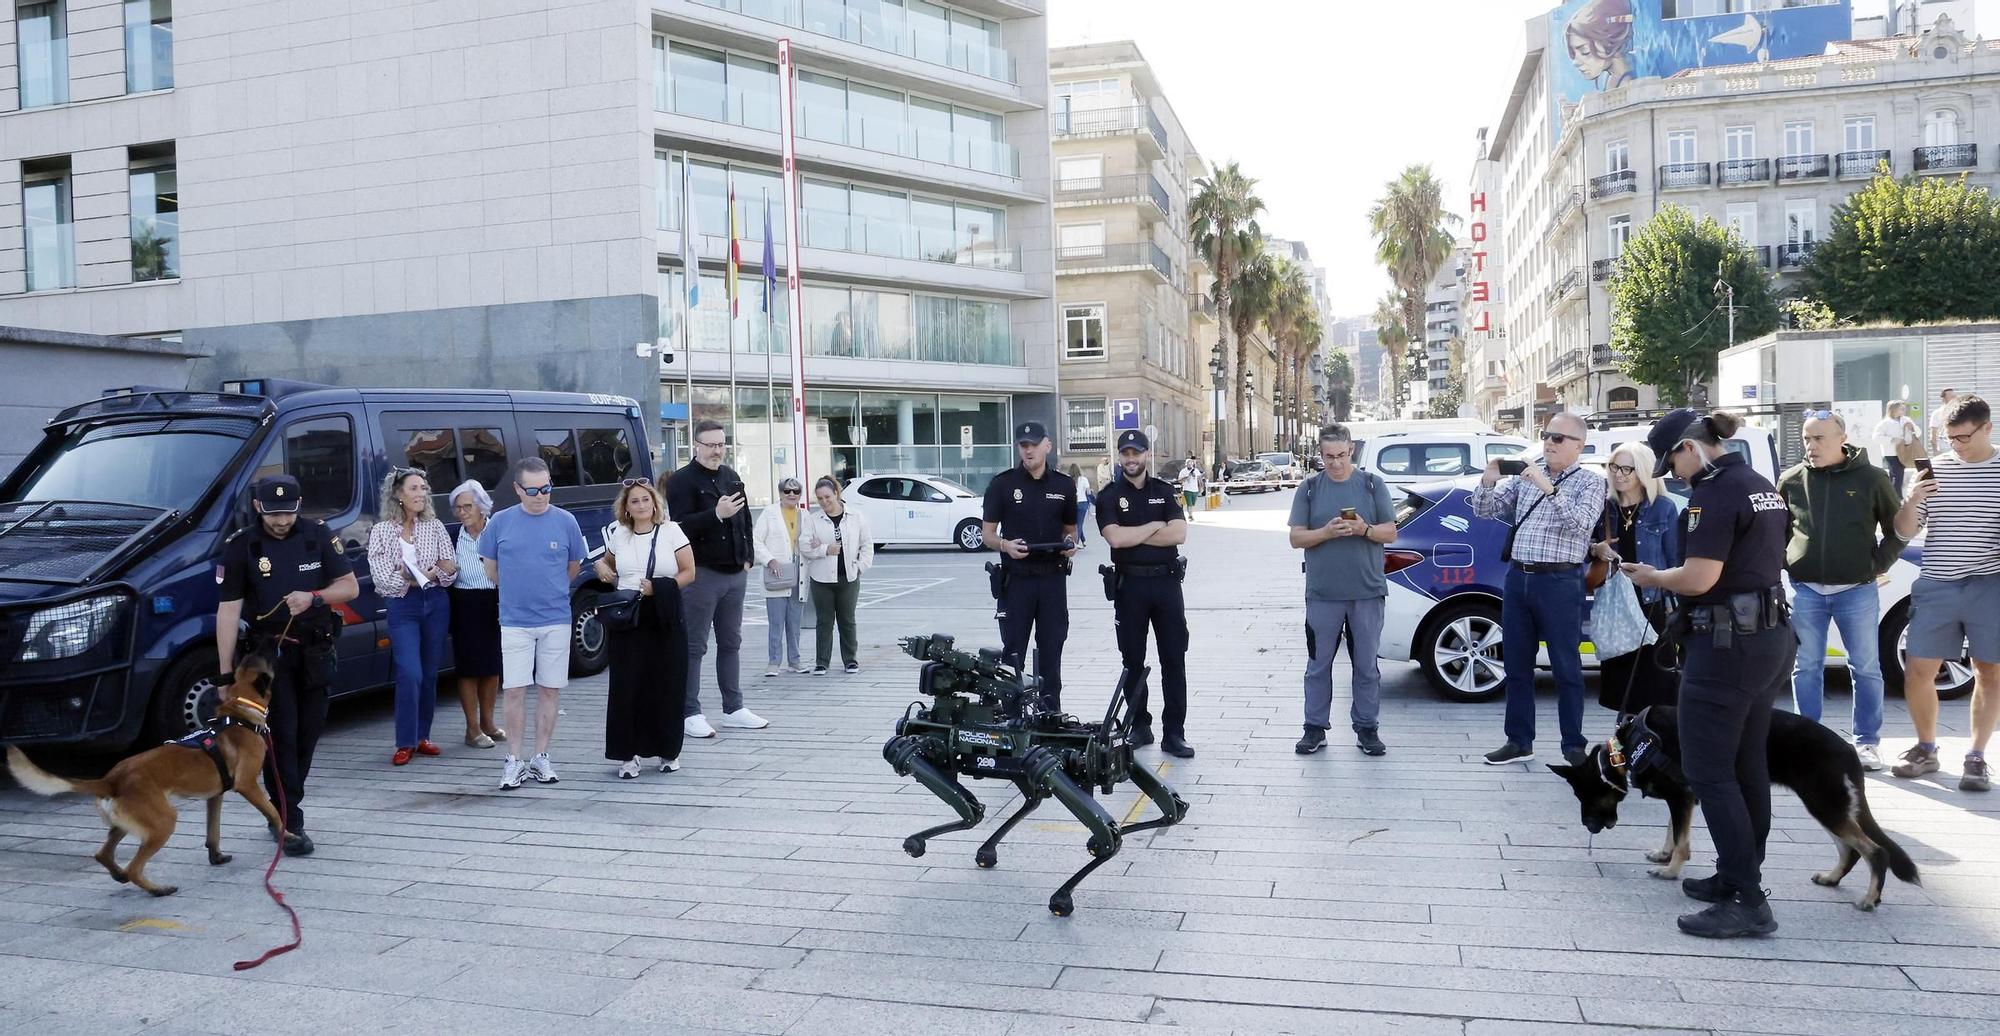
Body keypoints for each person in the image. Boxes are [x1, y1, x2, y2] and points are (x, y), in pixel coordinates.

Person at [1627, 408, 1793, 939]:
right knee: (1746, 766)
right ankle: (1734, 876)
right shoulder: (1758, 483)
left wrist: (1654, 575)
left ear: (1692, 447)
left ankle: (1747, 899)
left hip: (1726, 648)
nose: (1671, 473)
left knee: (1708, 772)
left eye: (1671, 459)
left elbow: (1700, 577)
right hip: (1766, 639)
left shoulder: (1714, 494)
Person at [215, 475, 359, 856]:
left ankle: (284, 803)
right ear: (259, 507)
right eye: (274, 513)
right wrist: (224, 674)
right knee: (282, 735)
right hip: (269, 658)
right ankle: (287, 819)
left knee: (308, 735)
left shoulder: (317, 534)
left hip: (315, 650)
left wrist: (314, 597)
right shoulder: (242, 545)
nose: (282, 521)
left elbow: (349, 587)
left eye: (289, 512)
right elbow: (227, 613)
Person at [1471, 412, 1608, 766]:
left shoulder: (1590, 482)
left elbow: (1580, 525)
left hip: (1560, 581)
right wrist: (1487, 482)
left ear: (1578, 445)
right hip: (1519, 578)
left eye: (1558, 438)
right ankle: (1518, 741)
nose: (1549, 442)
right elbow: (1486, 511)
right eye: (1546, 435)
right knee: (1516, 664)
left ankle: (1573, 745)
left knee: (1566, 666)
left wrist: (1549, 488)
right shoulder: (1528, 478)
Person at [1780, 410, 1904, 770]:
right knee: (1806, 666)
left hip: (1857, 590)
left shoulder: (1873, 478)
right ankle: (1807, 741)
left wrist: (1877, 565)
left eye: (1819, 438)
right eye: (1807, 438)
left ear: (1841, 438)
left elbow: (1896, 529)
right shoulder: (1790, 479)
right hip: (1806, 590)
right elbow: (1778, 530)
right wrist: (1786, 562)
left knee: (1865, 667)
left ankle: (1866, 743)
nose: (1811, 445)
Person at [1890, 394, 2000, 790]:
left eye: (1963, 438)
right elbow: (1904, 530)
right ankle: (1926, 748)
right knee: (1919, 669)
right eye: (1950, 438)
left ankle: (1976, 756)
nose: (1955, 445)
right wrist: (1913, 498)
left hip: (1989, 582)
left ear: (1987, 427)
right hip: (1937, 581)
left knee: (1988, 671)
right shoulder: (1933, 469)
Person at [478, 457, 588, 790]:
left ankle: (541, 757)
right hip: (514, 620)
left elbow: (573, 567)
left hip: (555, 618)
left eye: (546, 488)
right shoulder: (499, 522)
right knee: (513, 690)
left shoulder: (566, 521)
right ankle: (514, 759)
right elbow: (491, 568)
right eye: (533, 490)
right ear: (517, 489)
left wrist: (548, 592)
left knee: (549, 690)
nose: (540, 496)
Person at [1287, 424, 1397, 756]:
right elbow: (1295, 538)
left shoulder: (1371, 484)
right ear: (1319, 455)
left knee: (1366, 665)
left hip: (1366, 592)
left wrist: (1364, 529)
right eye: (1328, 457)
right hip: (1322, 594)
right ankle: (1314, 727)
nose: (1335, 463)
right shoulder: (1308, 489)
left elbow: (1390, 533)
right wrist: (1325, 533)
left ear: (1351, 450)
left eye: (1341, 455)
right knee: (1318, 665)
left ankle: (1367, 728)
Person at [661, 419, 768, 739]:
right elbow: (677, 527)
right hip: (702, 574)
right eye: (710, 445)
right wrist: (715, 515)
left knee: (731, 642)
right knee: (694, 646)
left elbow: (746, 518)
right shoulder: (682, 480)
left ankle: (733, 707)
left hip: (736, 573)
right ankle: (689, 711)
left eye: (721, 444)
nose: (717, 451)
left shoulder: (731, 476)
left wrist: (748, 556)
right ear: (696, 445)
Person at [1097, 430, 1193, 757]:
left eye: (1136, 453)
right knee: (1132, 661)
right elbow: (1115, 539)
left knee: (1173, 659)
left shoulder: (1164, 491)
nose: (1131, 459)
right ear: (1120, 456)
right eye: (1125, 453)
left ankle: (1174, 733)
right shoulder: (1109, 495)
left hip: (1166, 585)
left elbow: (1179, 533)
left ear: (1147, 455)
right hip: (1130, 586)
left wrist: (1136, 534)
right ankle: (1140, 725)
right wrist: (1155, 526)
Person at [595, 479, 696, 779]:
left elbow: (689, 572)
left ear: (654, 503)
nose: (640, 505)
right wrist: (601, 567)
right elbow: (607, 563)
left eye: (645, 500)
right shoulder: (620, 535)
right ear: (625, 507)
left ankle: (668, 750)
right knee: (627, 686)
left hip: (664, 613)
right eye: (634, 501)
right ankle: (627, 754)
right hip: (629, 615)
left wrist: (660, 589)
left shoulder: (671, 531)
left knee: (667, 683)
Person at [981, 421, 1078, 710]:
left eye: (1034, 444)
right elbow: (987, 535)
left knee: (1052, 648)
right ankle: (1012, 715)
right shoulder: (1002, 484)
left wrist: (1070, 545)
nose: (1029, 450)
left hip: (1052, 579)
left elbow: (1070, 531)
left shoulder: (1063, 485)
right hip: (1017, 580)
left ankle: (1050, 713)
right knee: (1013, 652)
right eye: (1023, 445)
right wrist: (1005, 545)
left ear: (1047, 446)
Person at [367, 469, 457, 766]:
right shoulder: (381, 531)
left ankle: (422, 737)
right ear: (398, 494)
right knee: (410, 672)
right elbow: (383, 580)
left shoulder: (434, 525)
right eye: (415, 488)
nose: (421, 493)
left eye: (424, 488)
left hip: (436, 603)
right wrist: (422, 577)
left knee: (430, 672)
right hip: (402, 606)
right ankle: (404, 741)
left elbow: (450, 569)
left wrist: (418, 575)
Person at [1588, 442, 1682, 719]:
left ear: (1642, 472)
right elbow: (1585, 548)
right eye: (1614, 467)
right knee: (1622, 688)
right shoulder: (1605, 508)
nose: (1619, 474)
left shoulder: (1662, 508)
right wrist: (1596, 549)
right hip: (1616, 607)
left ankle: (1652, 741)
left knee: (1656, 686)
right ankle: (1625, 741)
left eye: (1627, 468)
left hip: (1651, 605)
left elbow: (1675, 559)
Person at [448, 480, 505, 748]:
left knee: (492, 666)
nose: (462, 512)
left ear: (481, 506)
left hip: (494, 600)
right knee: (469, 668)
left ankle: (488, 723)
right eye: (458, 508)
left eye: (467, 506)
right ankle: (472, 729)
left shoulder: (498, 530)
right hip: (465, 602)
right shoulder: (451, 536)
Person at [801, 476, 874, 674]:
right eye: (819, 499)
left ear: (836, 494)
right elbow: (804, 546)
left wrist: (860, 566)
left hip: (848, 577)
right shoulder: (812, 520)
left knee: (847, 620)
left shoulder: (856, 516)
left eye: (827, 497)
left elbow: (867, 544)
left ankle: (850, 660)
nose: (824, 502)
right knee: (824, 621)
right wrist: (825, 549)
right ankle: (822, 662)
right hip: (821, 579)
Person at [753, 478, 810, 677]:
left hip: (799, 573)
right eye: (787, 491)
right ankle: (773, 662)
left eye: (796, 491)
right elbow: (756, 540)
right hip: (776, 573)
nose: (791, 495)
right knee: (776, 622)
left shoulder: (805, 514)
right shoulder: (769, 513)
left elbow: (809, 541)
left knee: (795, 622)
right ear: (780, 493)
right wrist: (770, 560)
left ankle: (795, 660)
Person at [1871, 401, 1920, 494]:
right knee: (1897, 474)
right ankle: (1896, 496)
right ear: (1893, 409)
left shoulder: (1907, 420)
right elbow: (1876, 438)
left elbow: (1918, 432)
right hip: (1891, 453)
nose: (1904, 410)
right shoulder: (1884, 423)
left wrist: (1912, 429)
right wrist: (1892, 439)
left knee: (1897, 474)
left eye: (1904, 408)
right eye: (1901, 408)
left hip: (1904, 452)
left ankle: (1892, 495)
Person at [1069, 464, 1093, 547]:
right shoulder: (1083, 479)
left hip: (1072, 503)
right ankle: (1076, 542)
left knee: (1075, 523)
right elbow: (1089, 492)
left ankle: (1083, 540)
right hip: (1082, 502)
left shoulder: (1068, 479)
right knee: (1079, 523)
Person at [1928, 387, 1957, 453]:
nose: (1954, 398)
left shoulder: (1959, 412)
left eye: (1954, 396)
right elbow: (1933, 434)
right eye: (1951, 397)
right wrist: (1935, 451)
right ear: (1943, 399)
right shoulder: (1937, 413)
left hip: (1957, 448)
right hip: (1944, 448)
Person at [1178, 455, 1204, 523]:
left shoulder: (1196, 471)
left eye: (1191, 463)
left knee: (1192, 503)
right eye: (1188, 463)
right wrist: (1186, 478)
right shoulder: (1183, 471)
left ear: (1192, 464)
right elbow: (1179, 480)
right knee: (1189, 503)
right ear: (1186, 464)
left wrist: (1201, 487)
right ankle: (1190, 515)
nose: (1189, 464)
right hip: (1187, 489)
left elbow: (1199, 479)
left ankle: (1190, 513)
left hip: (1195, 490)